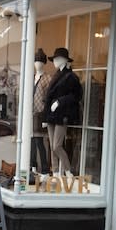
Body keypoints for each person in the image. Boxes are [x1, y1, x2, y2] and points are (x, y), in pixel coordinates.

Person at [44, 47, 82, 178]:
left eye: (57, 59)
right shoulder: (55, 75)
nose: (55, 61)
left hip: (62, 115)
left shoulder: (71, 77)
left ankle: (67, 170)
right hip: (51, 115)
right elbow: (48, 97)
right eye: (54, 59)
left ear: (64, 60)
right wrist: (45, 117)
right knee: (51, 146)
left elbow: (77, 96)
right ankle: (55, 173)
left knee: (56, 146)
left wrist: (60, 101)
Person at [31, 48, 51, 182]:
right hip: (30, 114)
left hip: (40, 114)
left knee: (39, 142)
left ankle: (45, 169)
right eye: (36, 61)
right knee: (31, 141)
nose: (37, 64)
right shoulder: (31, 77)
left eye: (40, 61)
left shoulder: (48, 78)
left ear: (44, 63)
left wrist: (46, 116)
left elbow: (49, 98)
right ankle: (32, 166)